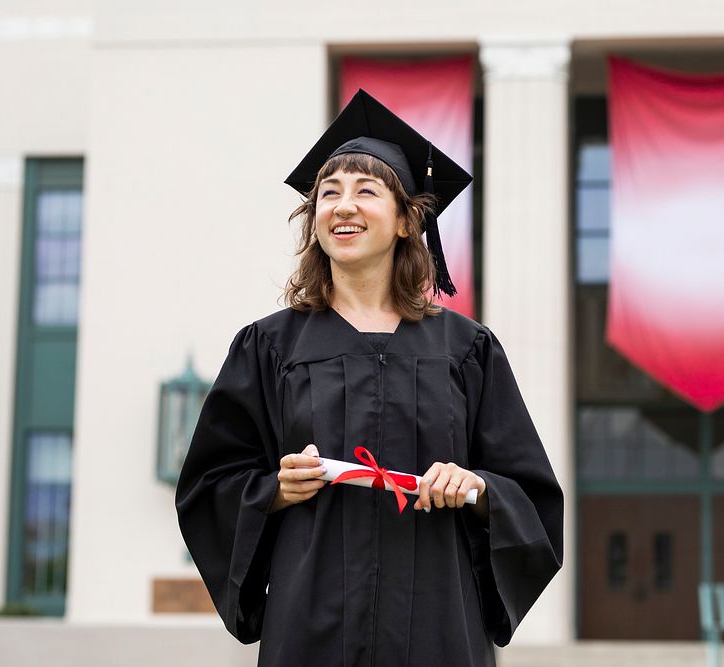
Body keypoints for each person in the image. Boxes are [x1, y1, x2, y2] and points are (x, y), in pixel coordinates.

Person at [175, 89, 563, 666]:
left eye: (365, 191)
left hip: (438, 626)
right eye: (327, 193)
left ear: (409, 220)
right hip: (312, 628)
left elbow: (530, 493)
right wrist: (273, 490)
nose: (342, 205)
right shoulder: (270, 347)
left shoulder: (465, 350)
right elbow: (210, 486)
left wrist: (477, 489)